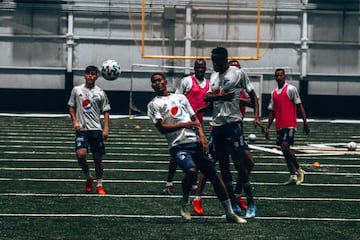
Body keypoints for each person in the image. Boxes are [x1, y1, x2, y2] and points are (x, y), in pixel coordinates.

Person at [147, 72, 246, 223]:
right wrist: (184, 125)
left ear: (165, 81)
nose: (157, 83)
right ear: (152, 85)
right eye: (154, 82)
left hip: (195, 142)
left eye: (159, 80)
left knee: (214, 175)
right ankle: (185, 202)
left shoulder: (180, 98)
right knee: (191, 170)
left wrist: (202, 136)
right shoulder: (154, 104)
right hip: (177, 145)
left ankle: (230, 213)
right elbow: (162, 128)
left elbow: (194, 118)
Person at [204, 47, 261, 219]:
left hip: (233, 124)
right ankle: (233, 205)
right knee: (223, 165)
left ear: (225, 60)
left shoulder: (238, 73)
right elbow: (208, 97)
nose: (214, 64)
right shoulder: (213, 76)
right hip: (217, 125)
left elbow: (253, 96)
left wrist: (257, 116)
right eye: (212, 60)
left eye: (217, 61)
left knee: (239, 164)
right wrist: (219, 97)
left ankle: (251, 203)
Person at [162, 59, 209, 198]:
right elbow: (176, 98)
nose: (200, 69)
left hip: (197, 122)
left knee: (196, 154)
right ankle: (169, 183)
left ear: (205, 68)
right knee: (175, 155)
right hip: (183, 122)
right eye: (198, 67)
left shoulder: (208, 84)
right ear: (194, 68)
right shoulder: (187, 81)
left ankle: (194, 186)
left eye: (202, 67)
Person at [68, 65, 111, 195]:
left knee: (98, 159)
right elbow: (71, 107)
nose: (90, 76)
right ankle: (88, 178)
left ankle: (99, 184)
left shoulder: (100, 93)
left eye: (93, 74)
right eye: (88, 74)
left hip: (96, 129)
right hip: (82, 130)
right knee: (80, 155)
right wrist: (75, 121)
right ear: (84, 75)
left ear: (96, 77)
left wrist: (106, 128)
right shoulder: (76, 90)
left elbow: (106, 111)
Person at [264, 68, 310, 185]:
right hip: (279, 125)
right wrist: (268, 127)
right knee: (284, 151)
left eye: (280, 75)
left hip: (289, 124)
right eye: (276, 76)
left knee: (285, 146)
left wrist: (305, 122)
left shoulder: (291, 89)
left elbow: (299, 106)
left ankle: (299, 170)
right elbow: (272, 111)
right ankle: (292, 175)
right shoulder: (273, 93)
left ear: (285, 76)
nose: (278, 78)